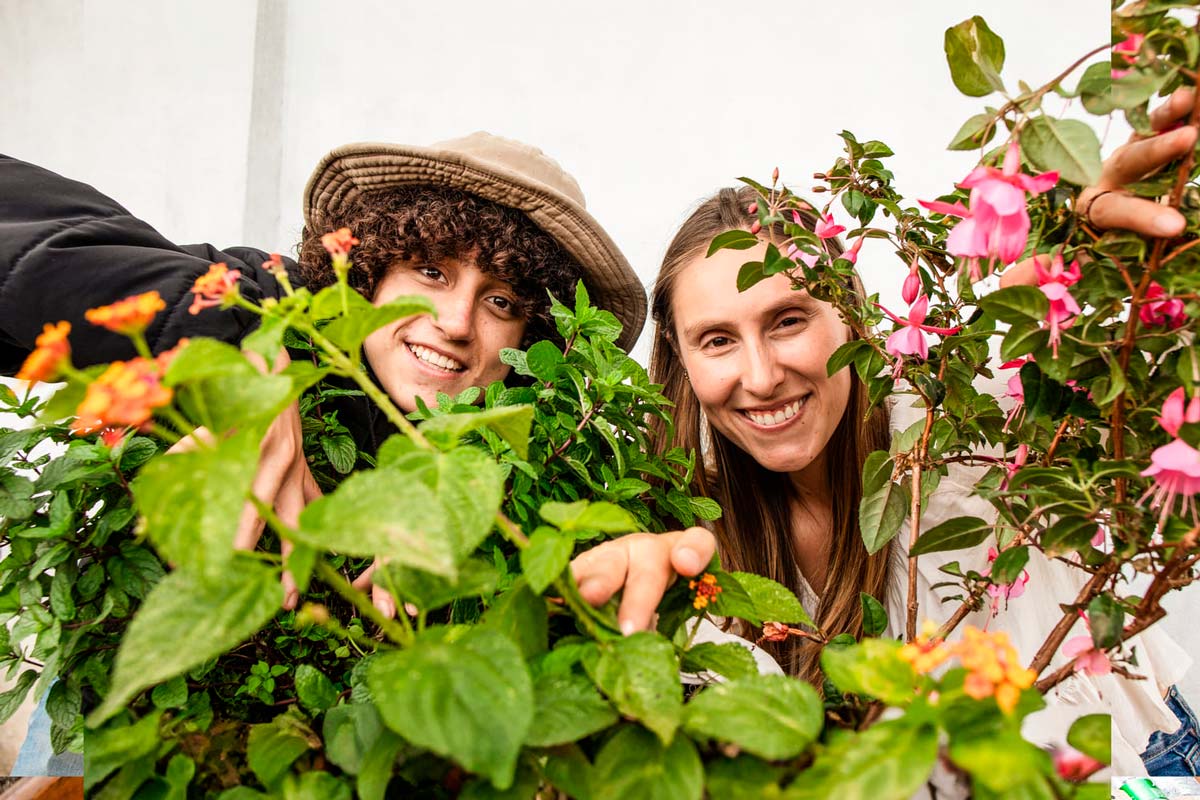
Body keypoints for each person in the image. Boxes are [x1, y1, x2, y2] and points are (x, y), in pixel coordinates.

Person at [571, 88, 1200, 779]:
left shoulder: (953, 425)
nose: (760, 375)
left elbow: (1037, 327)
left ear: (855, 318)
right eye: (717, 340)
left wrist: (1080, 242)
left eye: (787, 320)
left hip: (1140, 774)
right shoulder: (696, 527)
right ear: (682, 362)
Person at [0, 132, 646, 773]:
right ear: (371, 269)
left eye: (501, 301)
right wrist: (239, 347)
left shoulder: (515, 460)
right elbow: (29, 227)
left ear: (529, 341)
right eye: (430, 271)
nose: (454, 321)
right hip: (113, 735)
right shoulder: (274, 305)